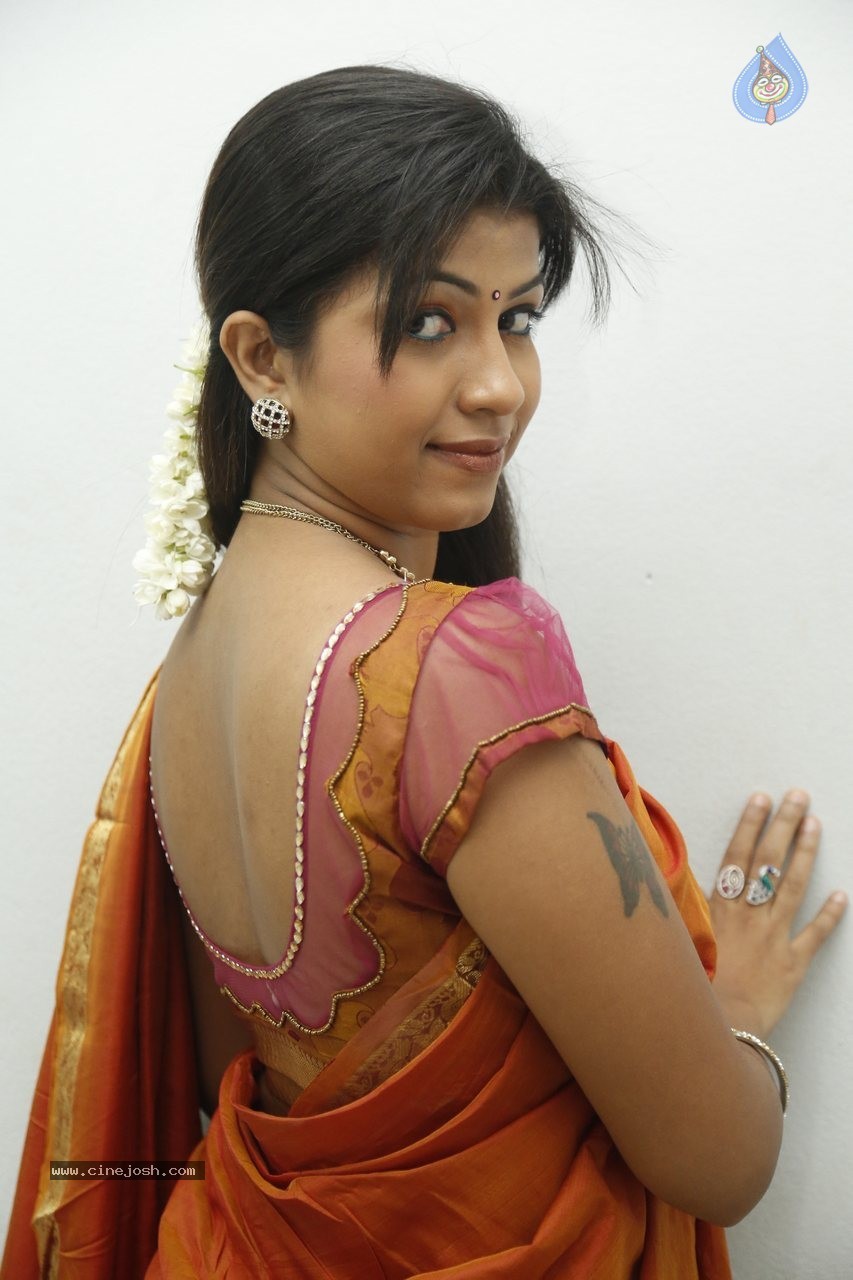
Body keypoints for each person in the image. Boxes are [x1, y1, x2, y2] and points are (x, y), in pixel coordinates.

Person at [2, 65, 847, 1280]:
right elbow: (716, 1160)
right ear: (261, 358)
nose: (500, 383)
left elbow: (237, 1070)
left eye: (520, 318)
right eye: (432, 322)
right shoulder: (458, 669)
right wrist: (740, 1012)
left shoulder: (188, 668)